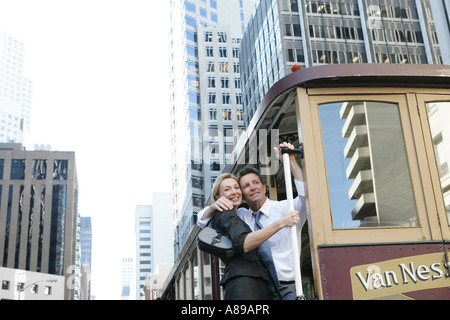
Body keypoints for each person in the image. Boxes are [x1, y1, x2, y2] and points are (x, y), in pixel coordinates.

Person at [198, 142, 307, 300]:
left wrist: (291, 161)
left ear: (264, 188)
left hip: (286, 286)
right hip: (257, 287)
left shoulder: (285, 208)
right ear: (242, 193)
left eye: (256, 183)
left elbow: (306, 196)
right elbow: (202, 221)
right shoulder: (240, 215)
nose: (252, 187)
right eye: (246, 186)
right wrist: (213, 206)